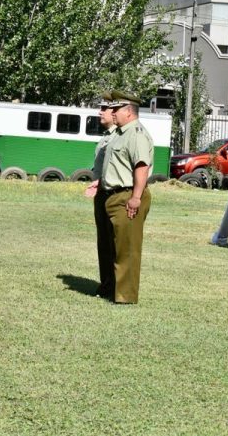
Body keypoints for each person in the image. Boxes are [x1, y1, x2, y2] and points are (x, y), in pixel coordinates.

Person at [100, 90, 154, 304]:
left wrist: (136, 197)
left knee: (127, 250)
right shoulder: (121, 133)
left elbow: (141, 167)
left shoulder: (137, 134)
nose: (112, 113)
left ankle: (126, 297)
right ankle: (114, 290)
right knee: (115, 247)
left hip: (128, 195)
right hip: (115, 195)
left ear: (129, 111)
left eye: (116, 109)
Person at [84, 91, 117, 299]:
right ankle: (106, 284)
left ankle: (114, 286)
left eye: (104, 108)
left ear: (115, 112)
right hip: (101, 192)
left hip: (113, 193)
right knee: (103, 242)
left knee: (114, 244)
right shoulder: (108, 136)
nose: (100, 112)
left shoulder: (120, 136)